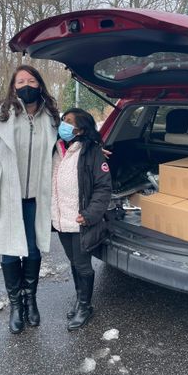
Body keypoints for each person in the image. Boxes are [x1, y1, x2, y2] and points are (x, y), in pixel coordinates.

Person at [0, 65, 59, 334]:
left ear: (40, 85)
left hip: (37, 196)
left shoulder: (51, 117)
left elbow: (64, 150)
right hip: (6, 196)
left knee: (33, 250)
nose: (25, 85)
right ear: (13, 87)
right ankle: (15, 306)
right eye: (20, 81)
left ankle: (30, 301)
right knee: (10, 250)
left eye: (31, 80)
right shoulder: (0, 116)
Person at [51, 108, 112, 331]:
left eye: (68, 121)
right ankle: (80, 300)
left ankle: (85, 307)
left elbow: (103, 188)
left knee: (83, 265)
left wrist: (89, 216)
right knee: (74, 262)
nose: (63, 125)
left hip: (80, 221)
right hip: (60, 219)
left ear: (81, 129)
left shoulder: (92, 152)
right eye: (62, 120)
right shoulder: (56, 148)